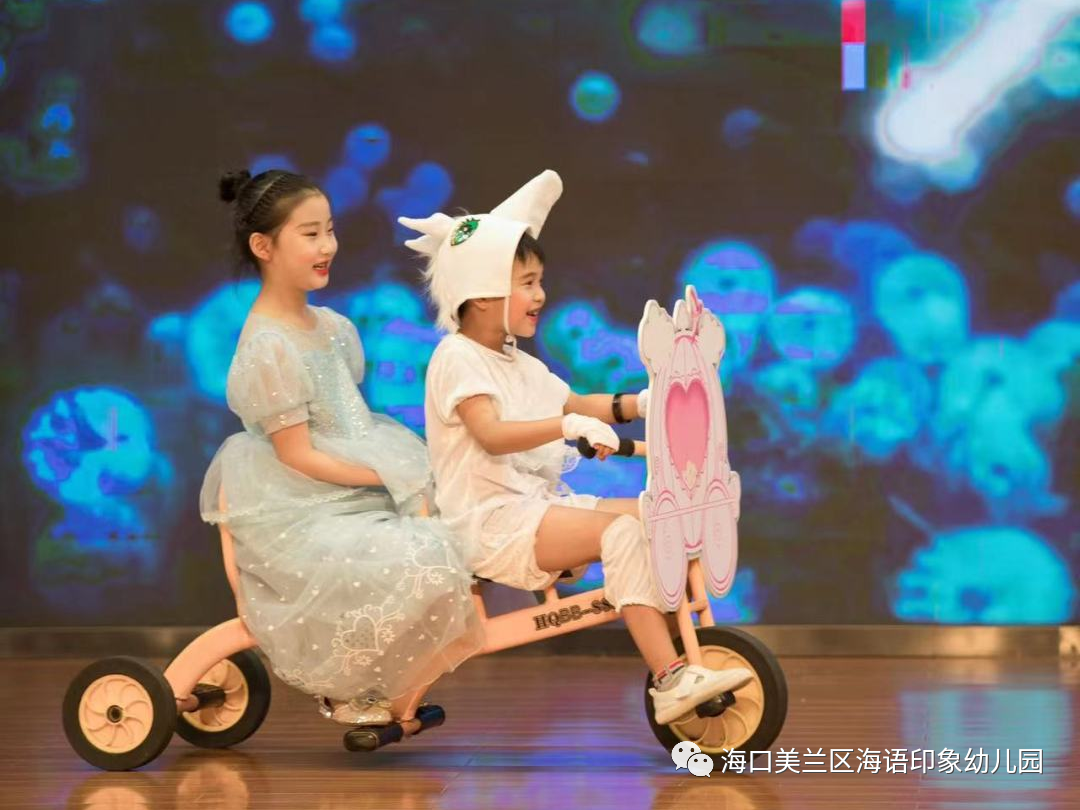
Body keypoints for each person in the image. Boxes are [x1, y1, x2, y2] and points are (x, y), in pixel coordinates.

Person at [401, 170, 751, 726]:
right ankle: (669, 678)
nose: (541, 295)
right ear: (482, 293)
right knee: (624, 533)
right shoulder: (457, 358)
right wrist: (567, 426)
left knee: (659, 517)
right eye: (527, 282)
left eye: (540, 281)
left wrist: (649, 402)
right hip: (489, 523)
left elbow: (581, 403)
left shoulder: (518, 362)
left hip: (532, 510)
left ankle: (686, 653)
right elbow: (492, 433)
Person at [200, 168, 483, 726]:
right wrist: (390, 477)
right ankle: (356, 685)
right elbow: (298, 455)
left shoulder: (332, 327)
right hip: (305, 503)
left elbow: (347, 422)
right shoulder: (269, 346)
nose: (327, 246)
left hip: (356, 475)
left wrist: (399, 474)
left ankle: (385, 683)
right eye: (310, 234)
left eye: (329, 230)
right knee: (424, 552)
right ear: (263, 246)